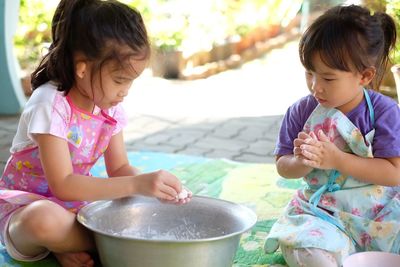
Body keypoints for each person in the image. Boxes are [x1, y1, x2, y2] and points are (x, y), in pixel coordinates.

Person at [0, 1, 192, 266]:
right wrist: (137, 186)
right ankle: (120, 241)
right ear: (82, 69)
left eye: (130, 81)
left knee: (137, 202)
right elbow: (63, 184)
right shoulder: (50, 104)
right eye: (119, 80)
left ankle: (68, 243)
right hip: (24, 210)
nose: (125, 91)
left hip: (77, 208)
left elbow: (120, 168)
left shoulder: (109, 107)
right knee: (43, 220)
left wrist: (156, 187)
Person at [264, 4, 400, 267]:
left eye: (328, 78)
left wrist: (337, 159)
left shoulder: (385, 112)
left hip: (381, 212)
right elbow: (283, 165)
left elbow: (394, 172)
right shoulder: (301, 111)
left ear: (364, 76)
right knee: (307, 250)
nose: (316, 86)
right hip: (322, 211)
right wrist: (301, 161)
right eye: (309, 73)